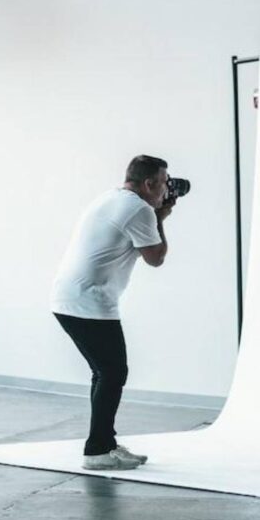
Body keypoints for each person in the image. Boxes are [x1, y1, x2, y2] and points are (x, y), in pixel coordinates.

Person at [51, 155, 176, 471]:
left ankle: (103, 443)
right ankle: (97, 451)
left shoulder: (112, 198)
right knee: (113, 372)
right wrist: (161, 216)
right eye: (163, 183)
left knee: (105, 372)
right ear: (148, 183)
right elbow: (156, 257)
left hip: (71, 297)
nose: (166, 189)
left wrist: (157, 212)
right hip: (88, 301)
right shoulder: (140, 209)